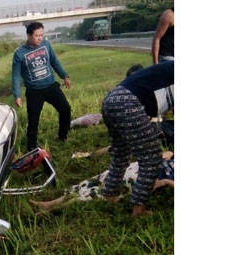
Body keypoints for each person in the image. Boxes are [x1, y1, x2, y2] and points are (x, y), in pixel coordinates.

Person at [100, 61, 173, 217]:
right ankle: (138, 209)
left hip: (111, 99)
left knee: (121, 153)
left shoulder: (167, 68)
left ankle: (109, 195)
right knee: (151, 158)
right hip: (128, 103)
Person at [30, 152, 174, 212]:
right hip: (134, 167)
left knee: (97, 193)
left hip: (142, 178)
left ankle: (53, 210)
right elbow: (164, 153)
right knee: (90, 182)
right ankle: (50, 203)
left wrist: (166, 181)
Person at [12, 21, 72, 149]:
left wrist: (65, 76)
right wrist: (17, 95)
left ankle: (63, 136)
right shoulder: (19, 54)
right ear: (28, 36)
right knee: (33, 122)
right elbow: (16, 76)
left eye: (41, 35)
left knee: (65, 109)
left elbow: (55, 62)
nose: (40, 38)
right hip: (34, 92)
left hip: (51, 87)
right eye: (36, 35)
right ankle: (31, 148)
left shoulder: (46, 45)